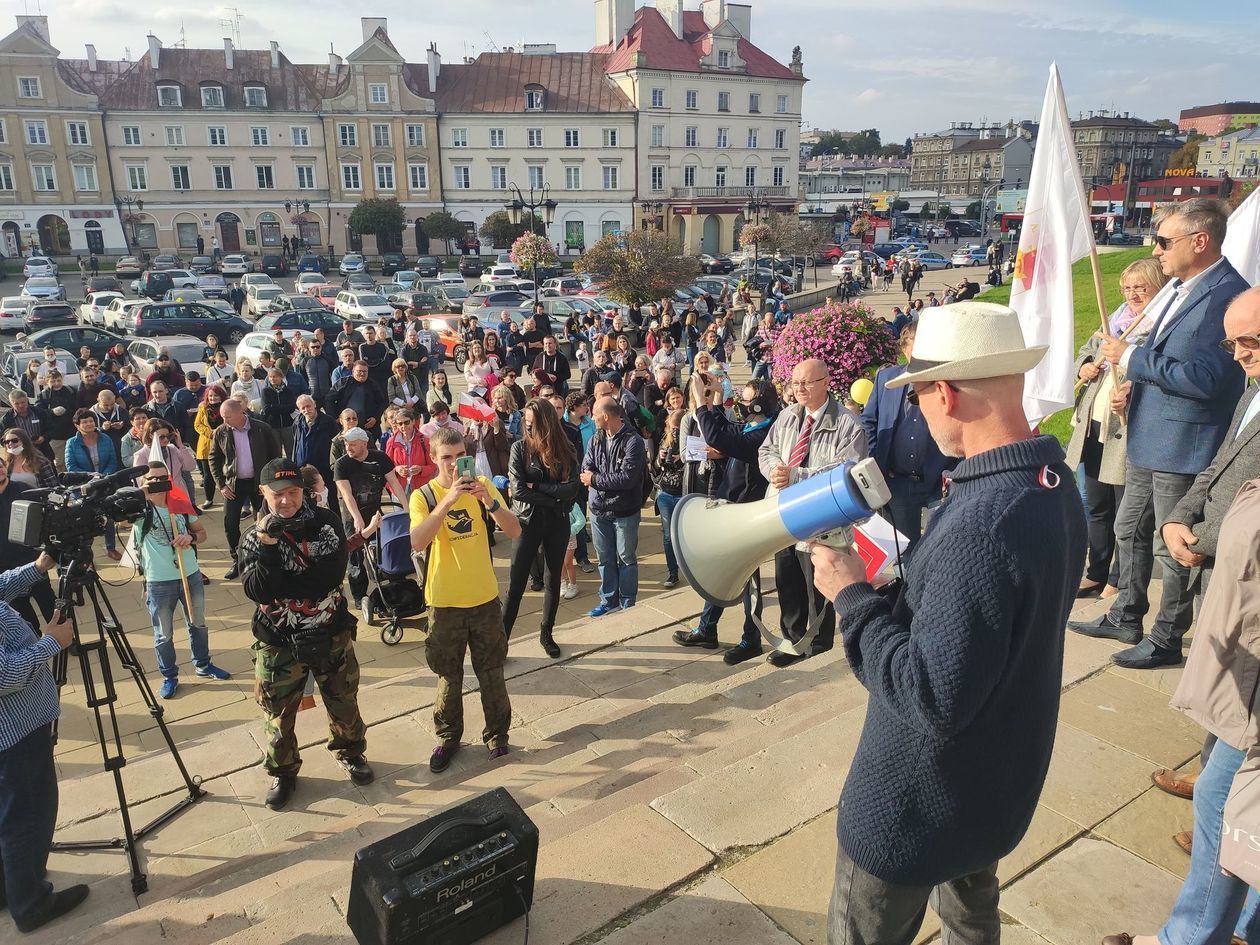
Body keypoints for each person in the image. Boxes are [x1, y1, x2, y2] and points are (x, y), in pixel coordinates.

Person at [809, 301, 1085, 945]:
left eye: (918, 398)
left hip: (913, 805)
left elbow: (929, 695)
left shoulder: (983, 522)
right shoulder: (1052, 480)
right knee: (971, 918)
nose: (916, 413)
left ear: (946, 393)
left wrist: (852, 598)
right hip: (991, 789)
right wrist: (911, 590)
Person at [1102, 404, 1260, 945]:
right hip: (1237, 631)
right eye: (1231, 339)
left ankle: (1196, 937)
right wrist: (1178, 518)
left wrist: (1202, 540)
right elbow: (1219, 468)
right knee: (1227, 788)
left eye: (1250, 338)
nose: (1239, 351)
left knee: (1222, 796)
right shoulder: (1250, 389)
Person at [1070, 198, 1250, 669]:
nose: (1157, 250)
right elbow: (1170, 363)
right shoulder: (1182, 288)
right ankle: (1127, 614)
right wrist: (1134, 385)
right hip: (1149, 435)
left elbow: (1210, 378)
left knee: (1172, 545)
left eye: (1165, 241)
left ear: (1200, 241)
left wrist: (1133, 361)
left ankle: (1167, 637)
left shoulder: (1224, 296)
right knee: (1128, 528)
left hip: (1182, 445)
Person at [238, 458, 373, 810]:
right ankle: (283, 771)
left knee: (343, 699)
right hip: (278, 638)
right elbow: (257, 590)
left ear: (304, 491)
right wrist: (269, 547)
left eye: (294, 492)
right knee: (278, 713)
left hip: (331, 631)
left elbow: (329, 577)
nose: (287, 501)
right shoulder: (253, 536)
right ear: (264, 493)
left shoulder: (325, 523)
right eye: (278, 494)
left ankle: (350, 752)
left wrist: (284, 584)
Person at [409, 427, 521, 772]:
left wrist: (489, 501)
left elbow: (515, 530)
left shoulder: (482, 487)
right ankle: (448, 737)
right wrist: (448, 501)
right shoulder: (423, 496)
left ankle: (497, 737)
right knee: (448, 675)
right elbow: (417, 541)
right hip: (444, 602)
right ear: (434, 458)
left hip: (484, 598)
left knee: (491, 672)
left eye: (460, 456)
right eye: (447, 458)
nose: (455, 465)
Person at [1064, 258, 1168, 596]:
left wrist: (1132, 390)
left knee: (1127, 513)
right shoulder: (1114, 320)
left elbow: (1159, 375)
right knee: (1095, 506)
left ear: (1159, 287)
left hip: (1127, 431)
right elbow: (1085, 352)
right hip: (1094, 427)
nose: (1133, 294)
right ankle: (1096, 570)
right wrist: (1084, 369)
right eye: (1128, 288)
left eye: (1141, 287)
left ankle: (1119, 578)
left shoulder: (1162, 325)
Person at [757, 358, 868, 666]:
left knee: (816, 578)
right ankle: (792, 639)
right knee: (786, 576)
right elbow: (766, 450)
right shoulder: (787, 416)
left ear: (825, 382)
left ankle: (819, 639)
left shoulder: (848, 424)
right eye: (795, 383)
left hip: (821, 516)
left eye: (806, 382)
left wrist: (796, 476)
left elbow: (844, 470)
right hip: (784, 509)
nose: (799, 389)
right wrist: (775, 472)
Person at [0, 552, 89, 933]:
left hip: (15, 731)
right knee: (28, 815)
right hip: (14, 733)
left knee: (9, 812)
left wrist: (39, 566)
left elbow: (1, 585)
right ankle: (31, 905)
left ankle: (11, 887)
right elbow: (5, 676)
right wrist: (51, 642)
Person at [129, 461, 230, 699]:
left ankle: (203, 665)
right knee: (163, 633)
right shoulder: (139, 510)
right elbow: (120, 519)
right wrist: (141, 494)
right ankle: (169, 676)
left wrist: (190, 538)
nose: (157, 483)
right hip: (158, 580)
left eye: (161, 477)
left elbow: (202, 534)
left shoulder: (181, 504)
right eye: (151, 479)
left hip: (190, 574)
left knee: (198, 623)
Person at [859, 324, 956, 553]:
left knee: (941, 548)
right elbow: (869, 421)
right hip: (898, 483)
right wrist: (875, 459)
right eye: (915, 352)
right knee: (904, 553)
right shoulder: (886, 378)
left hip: (940, 480)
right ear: (904, 350)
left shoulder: (946, 378)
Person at [500, 398, 580, 658]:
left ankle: (547, 633)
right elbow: (518, 490)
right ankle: (501, 641)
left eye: (533, 424)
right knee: (516, 584)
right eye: (527, 423)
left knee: (552, 580)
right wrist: (554, 496)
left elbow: (572, 489)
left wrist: (543, 489)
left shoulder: (565, 447)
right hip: (527, 522)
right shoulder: (519, 449)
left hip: (557, 521)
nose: (529, 428)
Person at [582, 397, 648, 616]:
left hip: (625, 511)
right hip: (599, 510)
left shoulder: (634, 441)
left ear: (606, 416)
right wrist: (595, 478)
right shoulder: (595, 439)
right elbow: (585, 469)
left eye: (594, 413)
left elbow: (627, 478)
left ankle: (628, 600)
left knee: (626, 557)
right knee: (605, 558)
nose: (592, 417)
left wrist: (596, 480)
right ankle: (608, 600)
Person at [334, 426, 404, 614]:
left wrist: (407, 508)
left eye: (352, 444)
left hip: (375, 511)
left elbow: (394, 484)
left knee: (382, 548)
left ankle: (388, 584)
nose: (348, 447)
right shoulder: (342, 464)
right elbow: (346, 495)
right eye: (346, 444)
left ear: (364, 443)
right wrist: (357, 518)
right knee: (355, 556)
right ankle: (359, 595)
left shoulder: (380, 458)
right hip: (352, 514)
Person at [210, 398, 282, 579]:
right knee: (230, 522)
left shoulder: (261, 428)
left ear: (241, 412)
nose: (225, 421)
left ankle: (264, 554)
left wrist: (268, 483)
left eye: (228, 417)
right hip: (234, 485)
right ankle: (237, 559)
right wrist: (221, 484)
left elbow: (275, 456)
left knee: (266, 520)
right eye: (223, 417)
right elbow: (214, 459)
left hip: (259, 484)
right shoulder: (221, 432)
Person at [65, 409, 123, 560]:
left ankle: (111, 547)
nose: (89, 424)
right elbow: (71, 466)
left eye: (91, 420)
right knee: (84, 519)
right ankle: (85, 553)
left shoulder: (105, 439)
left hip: (104, 482)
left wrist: (103, 477)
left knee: (108, 516)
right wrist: (91, 477)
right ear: (77, 425)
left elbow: (112, 460)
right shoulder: (71, 443)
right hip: (82, 486)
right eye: (84, 422)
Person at [326, 360, 386, 434]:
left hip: (367, 426)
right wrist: (334, 418)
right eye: (359, 371)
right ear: (353, 371)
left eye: (365, 371)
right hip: (345, 426)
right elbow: (329, 399)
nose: (362, 374)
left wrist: (375, 418)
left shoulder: (373, 385)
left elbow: (382, 402)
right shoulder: (343, 382)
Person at [192, 384, 227, 507]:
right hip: (206, 444)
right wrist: (210, 433)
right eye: (210, 395)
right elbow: (197, 425)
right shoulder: (203, 407)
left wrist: (218, 433)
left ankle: (228, 497)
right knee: (208, 474)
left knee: (225, 471)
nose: (213, 398)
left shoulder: (226, 406)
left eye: (216, 395)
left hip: (223, 443)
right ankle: (209, 499)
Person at [0, 392, 53, 466]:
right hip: (20, 455)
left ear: (27, 400)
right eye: (17, 404)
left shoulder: (39, 413)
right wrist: (14, 445)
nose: (21, 405)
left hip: (42, 451)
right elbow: (2, 440)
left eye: (23, 402)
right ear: (11, 403)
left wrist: (44, 437)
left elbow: (51, 429)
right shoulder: (6, 420)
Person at [261, 367, 298, 458]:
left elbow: (292, 407)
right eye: (270, 377)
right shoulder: (266, 391)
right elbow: (266, 409)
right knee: (276, 452)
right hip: (273, 426)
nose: (272, 379)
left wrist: (273, 407)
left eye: (275, 377)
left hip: (287, 425)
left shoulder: (288, 391)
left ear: (281, 377)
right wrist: (283, 408)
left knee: (290, 451)